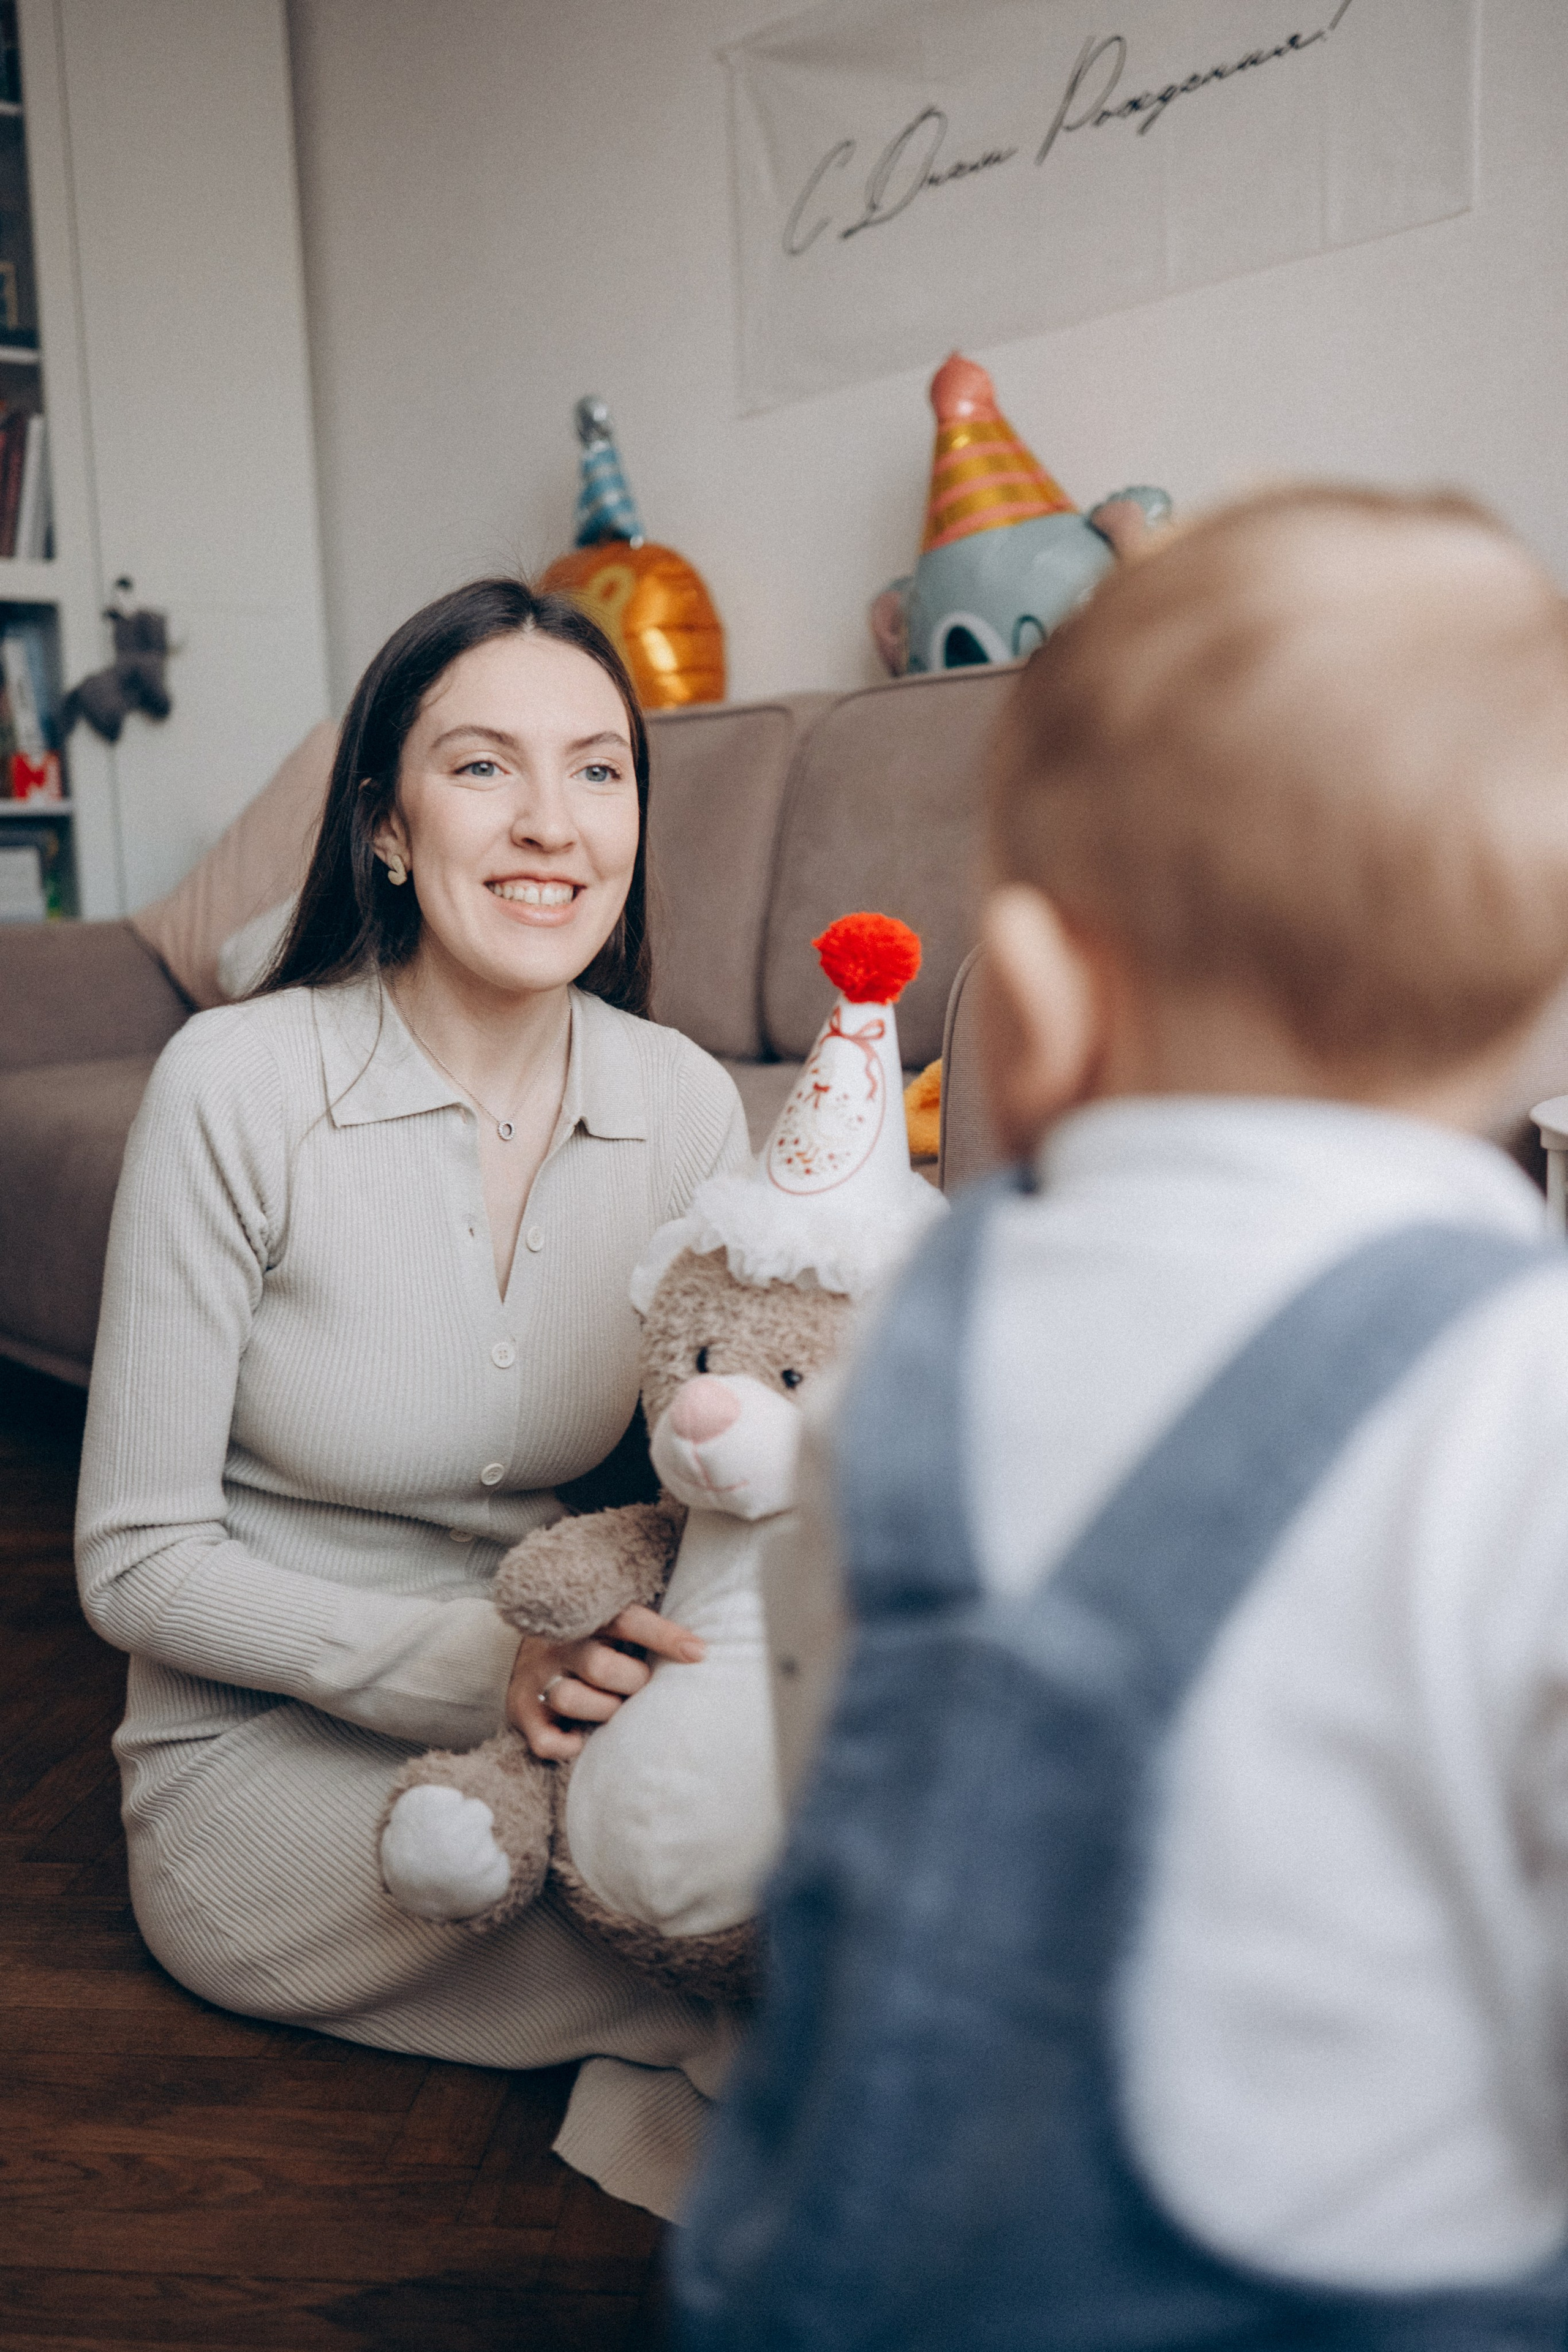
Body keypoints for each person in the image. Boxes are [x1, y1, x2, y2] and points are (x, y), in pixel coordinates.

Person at [677, 486, 1568, 2345]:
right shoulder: (1525, 1390)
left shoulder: (912, 1329)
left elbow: (837, 1793)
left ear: (1052, 998)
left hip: (861, 2269)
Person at [75, 578, 752, 2219]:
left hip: (587, 1692)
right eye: (482, 768)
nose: (550, 823)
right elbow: (133, 1561)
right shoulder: (235, 1088)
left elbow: (741, 1468)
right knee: (761, 1950)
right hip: (265, 1759)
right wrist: (482, 1665)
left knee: (821, 1875)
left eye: (599, 771)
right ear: (383, 823)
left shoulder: (681, 1104)